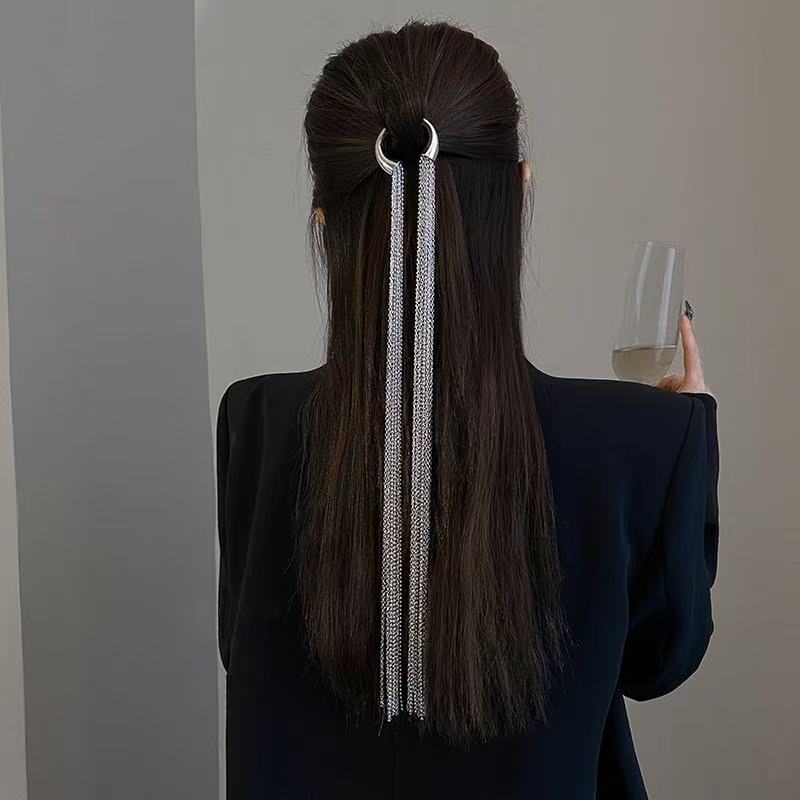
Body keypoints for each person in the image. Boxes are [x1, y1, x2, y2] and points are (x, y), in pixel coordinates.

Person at [215, 21, 719, 800]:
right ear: (519, 189)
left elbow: (243, 651)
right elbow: (658, 662)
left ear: (323, 217)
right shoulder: (639, 441)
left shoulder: (257, 421)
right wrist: (686, 443)